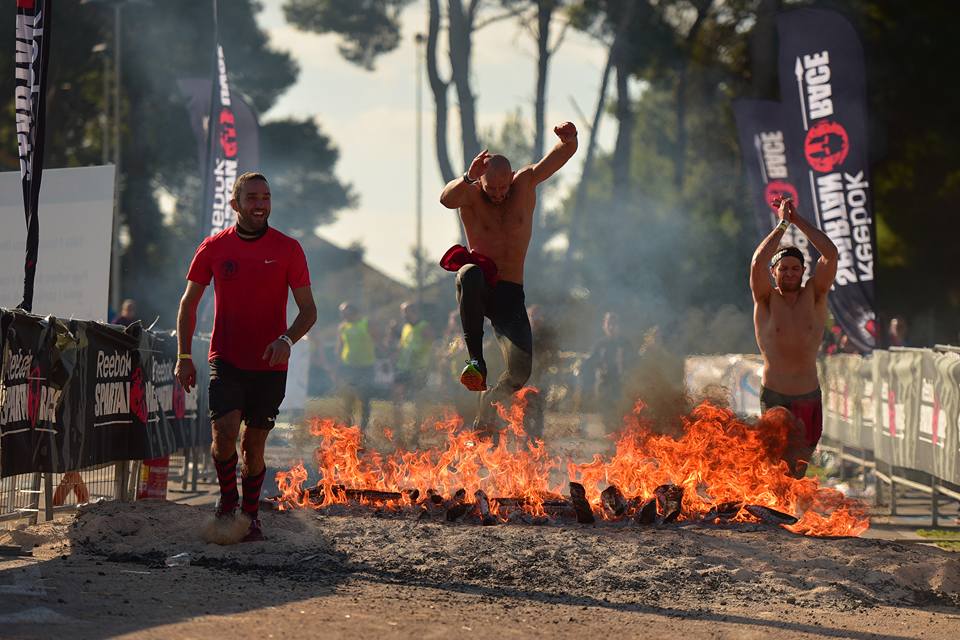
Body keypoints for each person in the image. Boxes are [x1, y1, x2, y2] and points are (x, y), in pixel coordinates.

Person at [174, 172, 317, 542]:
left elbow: (308, 311)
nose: (260, 204)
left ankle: (250, 516)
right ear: (235, 204)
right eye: (252, 197)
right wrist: (184, 355)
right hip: (226, 359)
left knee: (253, 447)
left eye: (266, 197)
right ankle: (226, 504)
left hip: (271, 365)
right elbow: (189, 304)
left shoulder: (288, 249)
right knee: (223, 436)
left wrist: (287, 339)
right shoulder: (213, 248)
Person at [438, 121, 578, 435]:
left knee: (520, 371)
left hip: (510, 294)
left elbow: (559, 157)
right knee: (469, 272)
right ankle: (476, 361)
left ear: (512, 177)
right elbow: (446, 198)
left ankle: (487, 411)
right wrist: (468, 177)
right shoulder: (470, 194)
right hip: (480, 285)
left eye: (504, 187)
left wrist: (569, 139)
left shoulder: (525, 183)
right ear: (480, 182)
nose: (500, 194)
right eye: (492, 188)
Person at [750, 196, 838, 479]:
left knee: (797, 470)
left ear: (803, 271)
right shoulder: (765, 300)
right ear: (774, 273)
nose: (789, 273)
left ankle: (785, 512)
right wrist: (783, 224)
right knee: (775, 463)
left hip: (808, 396)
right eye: (783, 268)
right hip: (775, 396)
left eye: (795, 268)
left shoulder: (815, 295)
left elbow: (831, 255)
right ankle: (773, 514)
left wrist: (798, 220)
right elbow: (756, 263)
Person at [391, 301, 434, 446]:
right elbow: (403, 346)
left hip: (418, 369)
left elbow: (431, 345)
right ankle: (399, 434)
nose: (404, 314)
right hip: (403, 368)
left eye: (406, 311)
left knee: (418, 402)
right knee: (397, 400)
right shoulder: (406, 327)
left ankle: (416, 433)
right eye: (402, 311)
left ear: (414, 311)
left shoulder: (424, 326)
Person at [583, 311, 632, 432]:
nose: (611, 327)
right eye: (608, 323)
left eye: (614, 324)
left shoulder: (625, 344)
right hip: (604, 384)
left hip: (621, 384)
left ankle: (621, 438)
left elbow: (633, 362)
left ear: (619, 326)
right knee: (606, 413)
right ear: (604, 326)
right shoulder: (600, 344)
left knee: (621, 414)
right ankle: (610, 435)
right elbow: (590, 363)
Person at [337, 301, 376, 434]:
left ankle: (363, 430)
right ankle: (348, 430)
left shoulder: (365, 323)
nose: (343, 316)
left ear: (353, 312)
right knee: (348, 399)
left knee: (364, 398)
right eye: (342, 313)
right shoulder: (343, 327)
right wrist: (337, 363)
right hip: (349, 367)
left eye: (345, 312)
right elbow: (340, 345)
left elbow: (377, 339)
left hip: (366, 366)